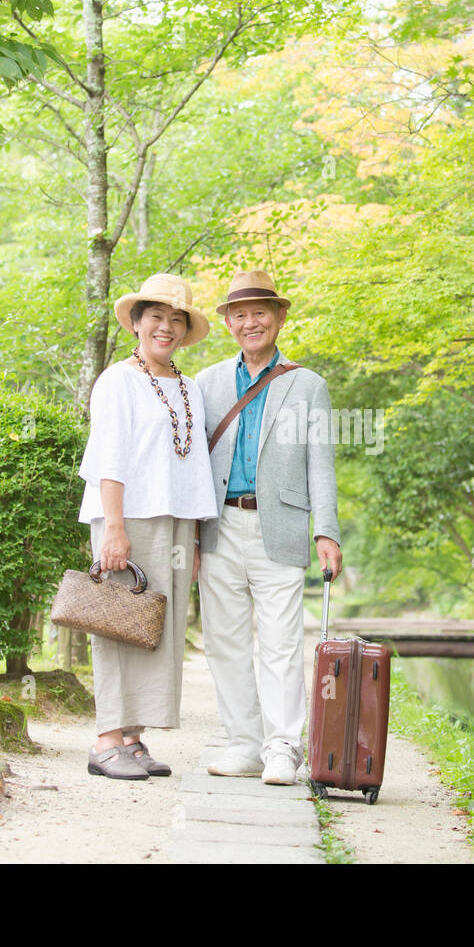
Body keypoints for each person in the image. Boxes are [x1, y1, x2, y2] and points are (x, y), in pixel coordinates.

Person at [196, 270, 343, 785]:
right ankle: (243, 743)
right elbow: (191, 461)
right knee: (224, 639)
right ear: (229, 323)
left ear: (280, 317)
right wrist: (188, 532)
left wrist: (327, 531)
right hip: (218, 525)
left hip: (279, 524)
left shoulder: (308, 384)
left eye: (261, 312)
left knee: (280, 641)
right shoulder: (207, 382)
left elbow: (320, 463)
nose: (250, 322)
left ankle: (283, 746)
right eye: (240, 314)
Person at [77, 273, 217, 780]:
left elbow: (195, 461)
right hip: (128, 515)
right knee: (116, 624)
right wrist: (113, 527)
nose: (166, 327)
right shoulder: (118, 379)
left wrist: (196, 537)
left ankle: (134, 738)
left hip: (177, 519)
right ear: (137, 323)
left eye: (176, 320)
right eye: (155, 317)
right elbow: (109, 457)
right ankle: (105, 740)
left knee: (156, 628)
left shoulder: (189, 387)